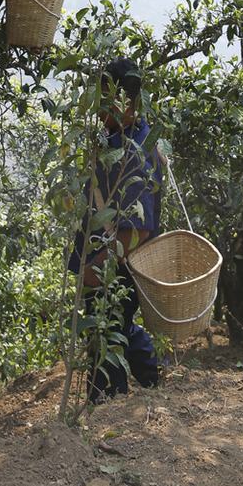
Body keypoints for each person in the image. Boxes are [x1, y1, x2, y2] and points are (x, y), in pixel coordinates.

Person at [68, 57, 165, 401]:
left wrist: (96, 270)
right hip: (104, 262)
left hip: (114, 269)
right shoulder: (119, 137)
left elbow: (137, 231)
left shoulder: (135, 152)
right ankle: (152, 376)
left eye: (106, 101)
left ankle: (108, 404)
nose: (98, 110)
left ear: (128, 103)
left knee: (105, 336)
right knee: (117, 327)